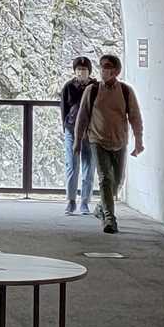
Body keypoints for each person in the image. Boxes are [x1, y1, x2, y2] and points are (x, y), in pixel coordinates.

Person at [70, 53, 143, 233]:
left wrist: (138, 141)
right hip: (97, 140)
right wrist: (77, 141)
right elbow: (82, 117)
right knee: (105, 178)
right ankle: (109, 219)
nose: (104, 70)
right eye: (102, 67)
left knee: (117, 181)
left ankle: (101, 208)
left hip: (119, 141)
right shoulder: (92, 90)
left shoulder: (125, 91)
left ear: (116, 71)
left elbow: (135, 117)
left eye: (108, 67)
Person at [58, 56, 96, 215]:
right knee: (72, 165)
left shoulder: (95, 87)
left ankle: (85, 201)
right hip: (72, 129)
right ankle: (71, 200)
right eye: (79, 69)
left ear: (89, 71)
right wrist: (65, 127)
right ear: (75, 71)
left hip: (90, 131)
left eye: (84, 69)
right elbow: (64, 109)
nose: (81, 72)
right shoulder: (68, 86)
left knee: (89, 166)